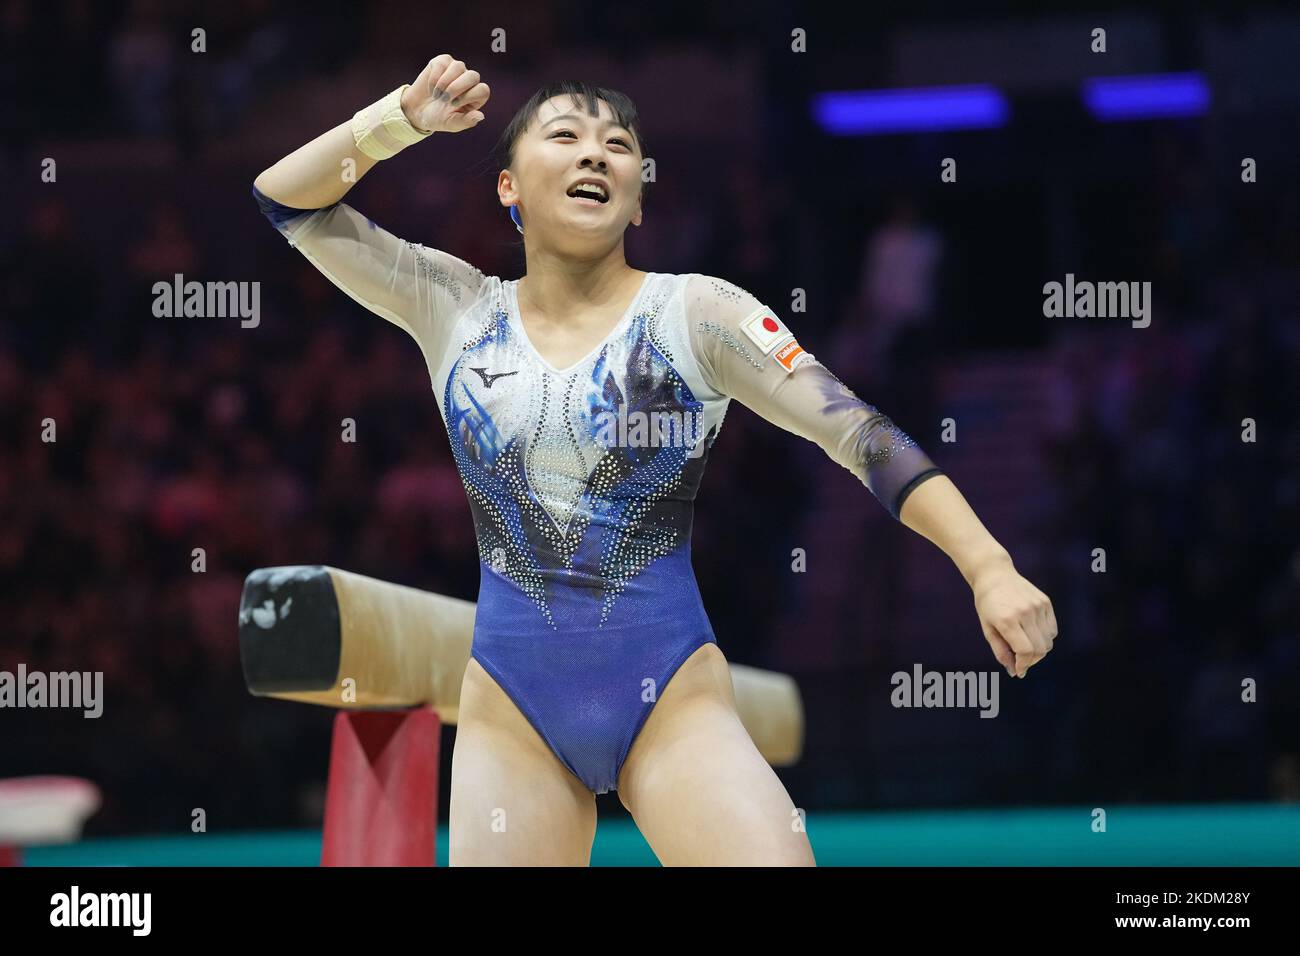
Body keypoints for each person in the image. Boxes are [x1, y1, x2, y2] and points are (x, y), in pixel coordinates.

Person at [252, 55, 1058, 866]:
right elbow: (286, 200)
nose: (595, 154)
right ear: (508, 187)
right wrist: (402, 117)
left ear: (638, 198)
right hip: (511, 714)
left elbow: (859, 434)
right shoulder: (453, 306)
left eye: (618, 146)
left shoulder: (699, 313)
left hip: (670, 700)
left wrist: (988, 566)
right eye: (564, 136)